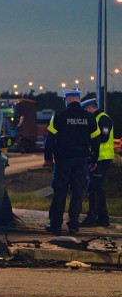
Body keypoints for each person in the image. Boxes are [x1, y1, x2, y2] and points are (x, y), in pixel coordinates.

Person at [43, 89, 100, 235]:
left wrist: (48, 158)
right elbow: (96, 141)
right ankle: (74, 225)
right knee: (77, 193)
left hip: (62, 161)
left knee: (60, 192)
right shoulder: (89, 117)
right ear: (78, 100)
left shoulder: (59, 117)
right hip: (81, 161)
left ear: (67, 100)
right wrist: (94, 159)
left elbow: (49, 139)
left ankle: (55, 225)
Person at [80, 98, 113, 227]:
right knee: (97, 188)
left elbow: (103, 137)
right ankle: (103, 218)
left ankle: (93, 217)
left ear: (89, 108)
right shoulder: (97, 119)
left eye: (86, 110)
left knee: (93, 188)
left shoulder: (103, 118)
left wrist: (88, 139)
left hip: (102, 159)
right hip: (97, 158)